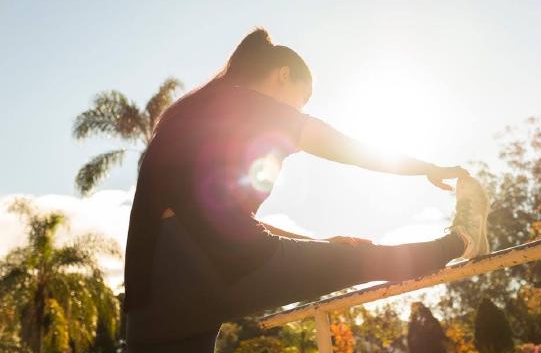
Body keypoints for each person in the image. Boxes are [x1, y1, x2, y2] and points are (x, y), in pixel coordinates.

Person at [124, 28, 490, 352]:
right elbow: (349, 149)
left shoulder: (189, 115)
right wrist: (426, 168)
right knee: (371, 261)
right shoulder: (253, 104)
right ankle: (463, 239)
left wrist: (319, 245)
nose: (299, 110)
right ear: (283, 75)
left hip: (151, 301)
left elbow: (216, 219)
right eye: (302, 98)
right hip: (217, 263)